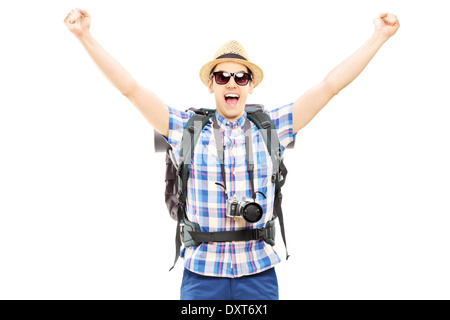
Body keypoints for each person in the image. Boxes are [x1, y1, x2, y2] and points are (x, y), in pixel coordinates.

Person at [64, 8, 399, 300]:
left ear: (251, 85)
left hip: (258, 273)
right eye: (222, 76)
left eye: (241, 77)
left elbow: (329, 86)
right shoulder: (186, 129)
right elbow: (130, 89)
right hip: (201, 275)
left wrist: (379, 36)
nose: (232, 83)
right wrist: (84, 35)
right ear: (211, 84)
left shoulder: (272, 128)